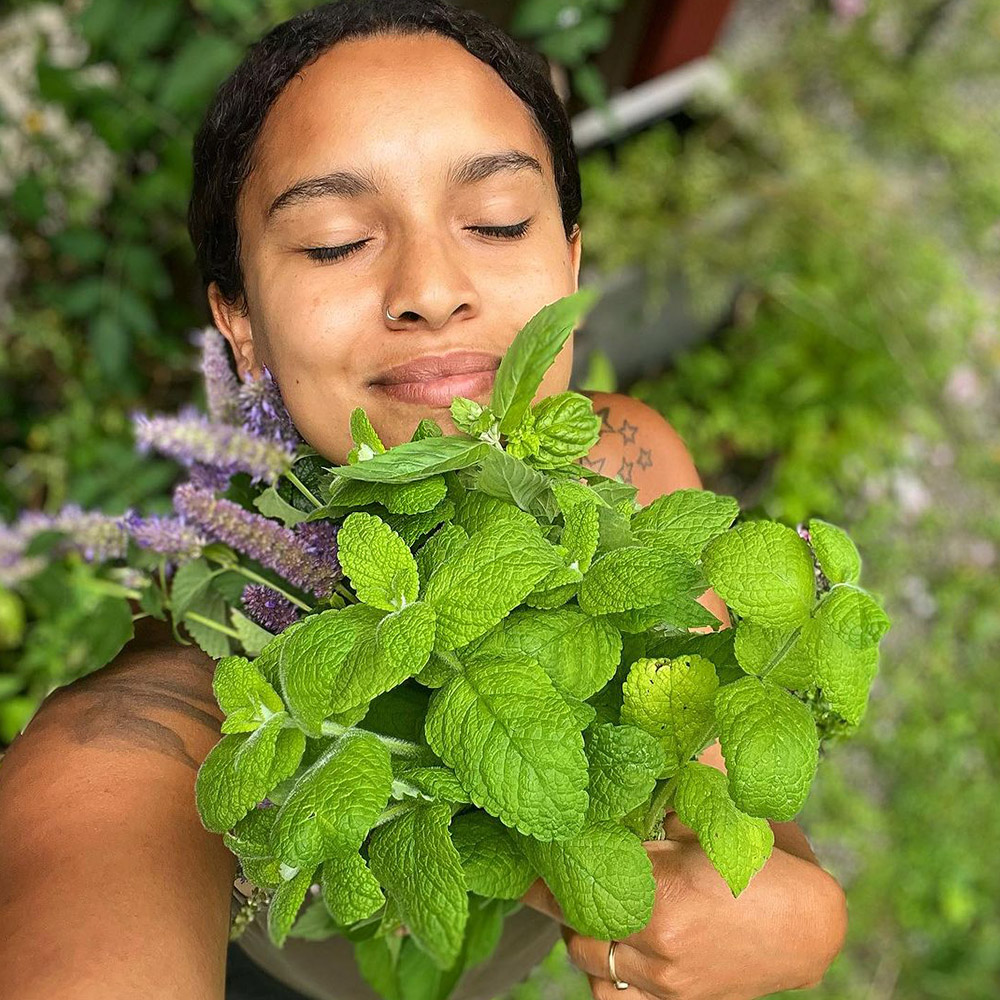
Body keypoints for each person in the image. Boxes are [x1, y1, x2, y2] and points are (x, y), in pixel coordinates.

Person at [0, 2, 848, 998]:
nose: (432, 287)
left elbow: (716, 767)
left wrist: (799, 908)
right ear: (240, 324)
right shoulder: (190, 687)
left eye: (497, 221)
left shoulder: (634, 470)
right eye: (333, 241)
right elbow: (96, 828)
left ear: (571, 260)